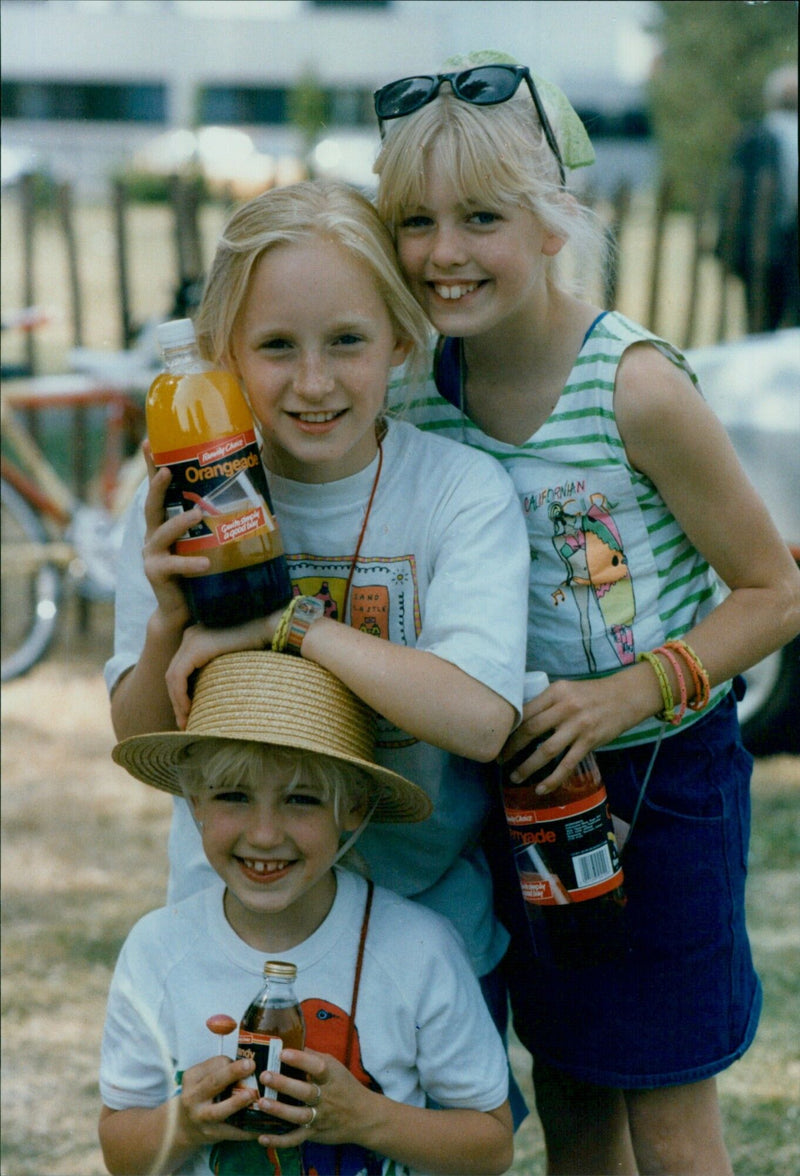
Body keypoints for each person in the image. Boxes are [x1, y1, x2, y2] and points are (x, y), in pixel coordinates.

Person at [373, 50, 800, 1176]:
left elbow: (772, 593)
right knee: (567, 1083)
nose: (443, 253)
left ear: (555, 218)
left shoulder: (635, 388)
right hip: (515, 784)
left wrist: (624, 694)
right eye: (413, 222)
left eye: (480, 216)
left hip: (660, 785)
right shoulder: (416, 390)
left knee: (664, 1103)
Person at [104, 180, 530, 1119]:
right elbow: (144, 745)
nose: (313, 382)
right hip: (228, 942)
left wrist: (291, 625)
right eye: (275, 347)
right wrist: (170, 620)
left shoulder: (457, 494)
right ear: (222, 356)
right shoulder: (187, 500)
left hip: (426, 947)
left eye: (347, 341)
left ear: (402, 340)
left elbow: (482, 718)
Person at [99, 651, 514, 1176]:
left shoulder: (420, 948)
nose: (265, 833)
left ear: (354, 808)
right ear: (193, 802)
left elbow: (493, 1145)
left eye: (302, 799)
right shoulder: (156, 948)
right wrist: (184, 1123)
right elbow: (120, 1150)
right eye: (233, 795)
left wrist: (364, 1117)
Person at [716, 62, 799, 332]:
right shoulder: (756, 138)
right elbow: (734, 198)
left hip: (775, 246)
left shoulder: (754, 136)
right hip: (766, 247)